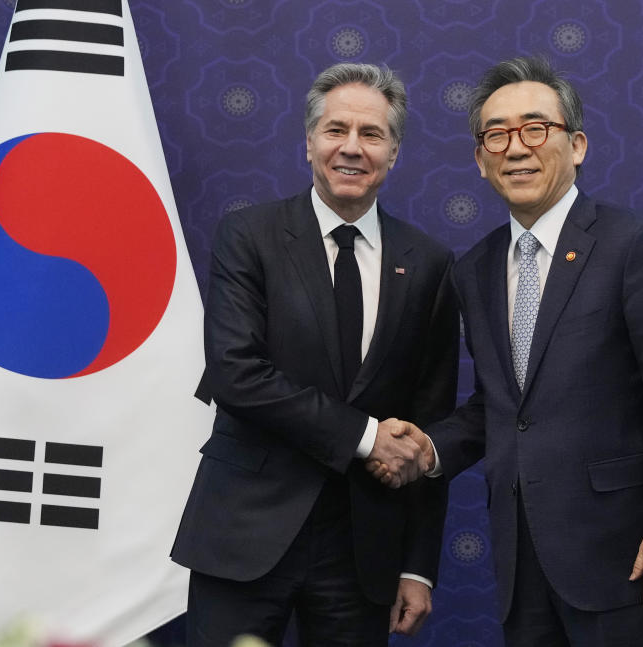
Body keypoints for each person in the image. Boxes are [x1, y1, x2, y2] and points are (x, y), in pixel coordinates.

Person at [371, 56, 643, 646]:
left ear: (576, 145)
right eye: (496, 135)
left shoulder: (633, 244)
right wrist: (429, 449)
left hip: (627, 556)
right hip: (521, 562)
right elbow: (500, 406)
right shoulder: (474, 269)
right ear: (480, 160)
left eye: (536, 128)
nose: (516, 148)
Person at [171, 62, 458, 647]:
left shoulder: (429, 262)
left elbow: (430, 422)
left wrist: (417, 565)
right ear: (309, 144)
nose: (352, 148)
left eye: (371, 134)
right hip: (245, 534)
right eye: (335, 130)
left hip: (364, 549)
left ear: (394, 152)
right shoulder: (248, 235)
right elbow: (237, 374)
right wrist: (365, 436)